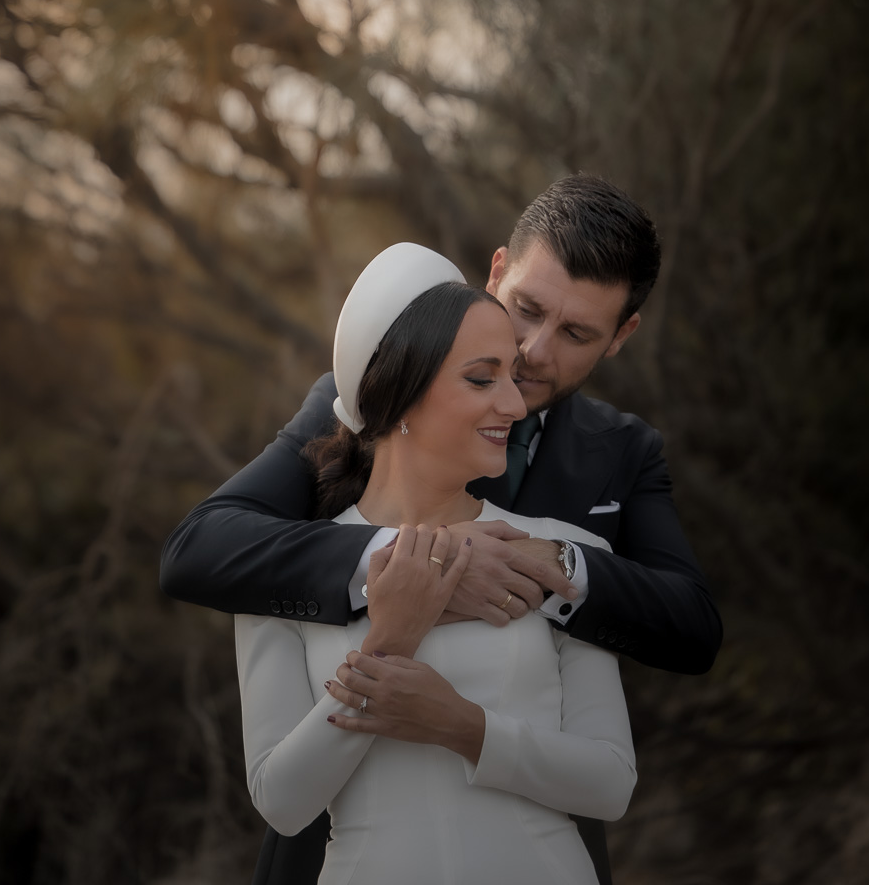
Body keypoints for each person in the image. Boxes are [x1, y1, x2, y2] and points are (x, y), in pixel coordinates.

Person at [161, 175, 722, 885]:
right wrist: (407, 566)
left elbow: (692, 628)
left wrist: (562, 565)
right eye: (525, 309)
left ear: (622, 336)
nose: (534, 351)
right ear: (496, 273)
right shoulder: (353, 397)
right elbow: (199, 548)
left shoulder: (626, 452)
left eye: (576, 332)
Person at [233, 244, 636, 883]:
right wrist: (390, 642)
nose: (512, 404)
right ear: (403, 394)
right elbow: (282, 802)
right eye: (483, 379)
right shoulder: (288, 576)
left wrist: (463, 727)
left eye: (510, 377)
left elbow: (611, 783)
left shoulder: (558, 551)